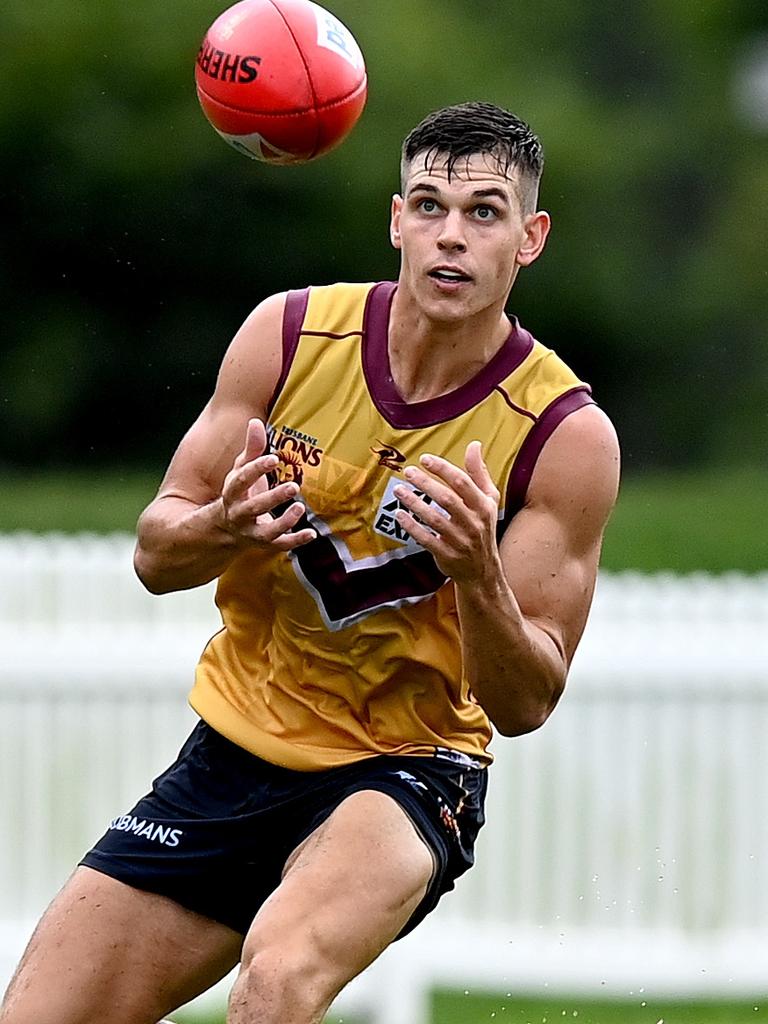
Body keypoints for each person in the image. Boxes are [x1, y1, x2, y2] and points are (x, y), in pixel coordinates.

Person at [1, 101, 620, 1024]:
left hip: (406, 768)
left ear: (529, 238)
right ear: (395, 220)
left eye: (484, 213)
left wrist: (478, 576)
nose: (451, 236)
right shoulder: (288, 335)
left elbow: (525, 702)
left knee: (280, 975)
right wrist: (223, 524)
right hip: (234, 750)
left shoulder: (566, 436)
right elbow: (154, 554)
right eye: (428, 206)